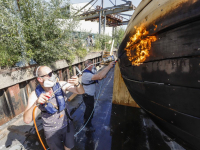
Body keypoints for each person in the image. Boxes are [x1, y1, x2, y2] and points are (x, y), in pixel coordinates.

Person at [23, 66, 85, 150]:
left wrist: (77, 83)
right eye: (49, 74)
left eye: (52, 72)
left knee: (69, 147)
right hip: (51, 130)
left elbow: (81, 91)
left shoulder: (61, 85)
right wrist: (36, 103)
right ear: (40, 79)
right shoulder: (34, 95)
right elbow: (27, 120)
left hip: (66, 124)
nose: (53, 76)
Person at [81, 60, 115, 131]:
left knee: (89, 109)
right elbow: (99, 76)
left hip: (89, 95)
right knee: (90, 111)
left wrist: (103, 73)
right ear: (86, 66)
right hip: (88, 96)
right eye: (90, 65)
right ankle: (87, 125)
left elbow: (99, 74)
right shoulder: (86, 75)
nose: (91, 66)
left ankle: (85, 120)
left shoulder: (90, 72)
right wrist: (109, 66)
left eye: (92, 64)